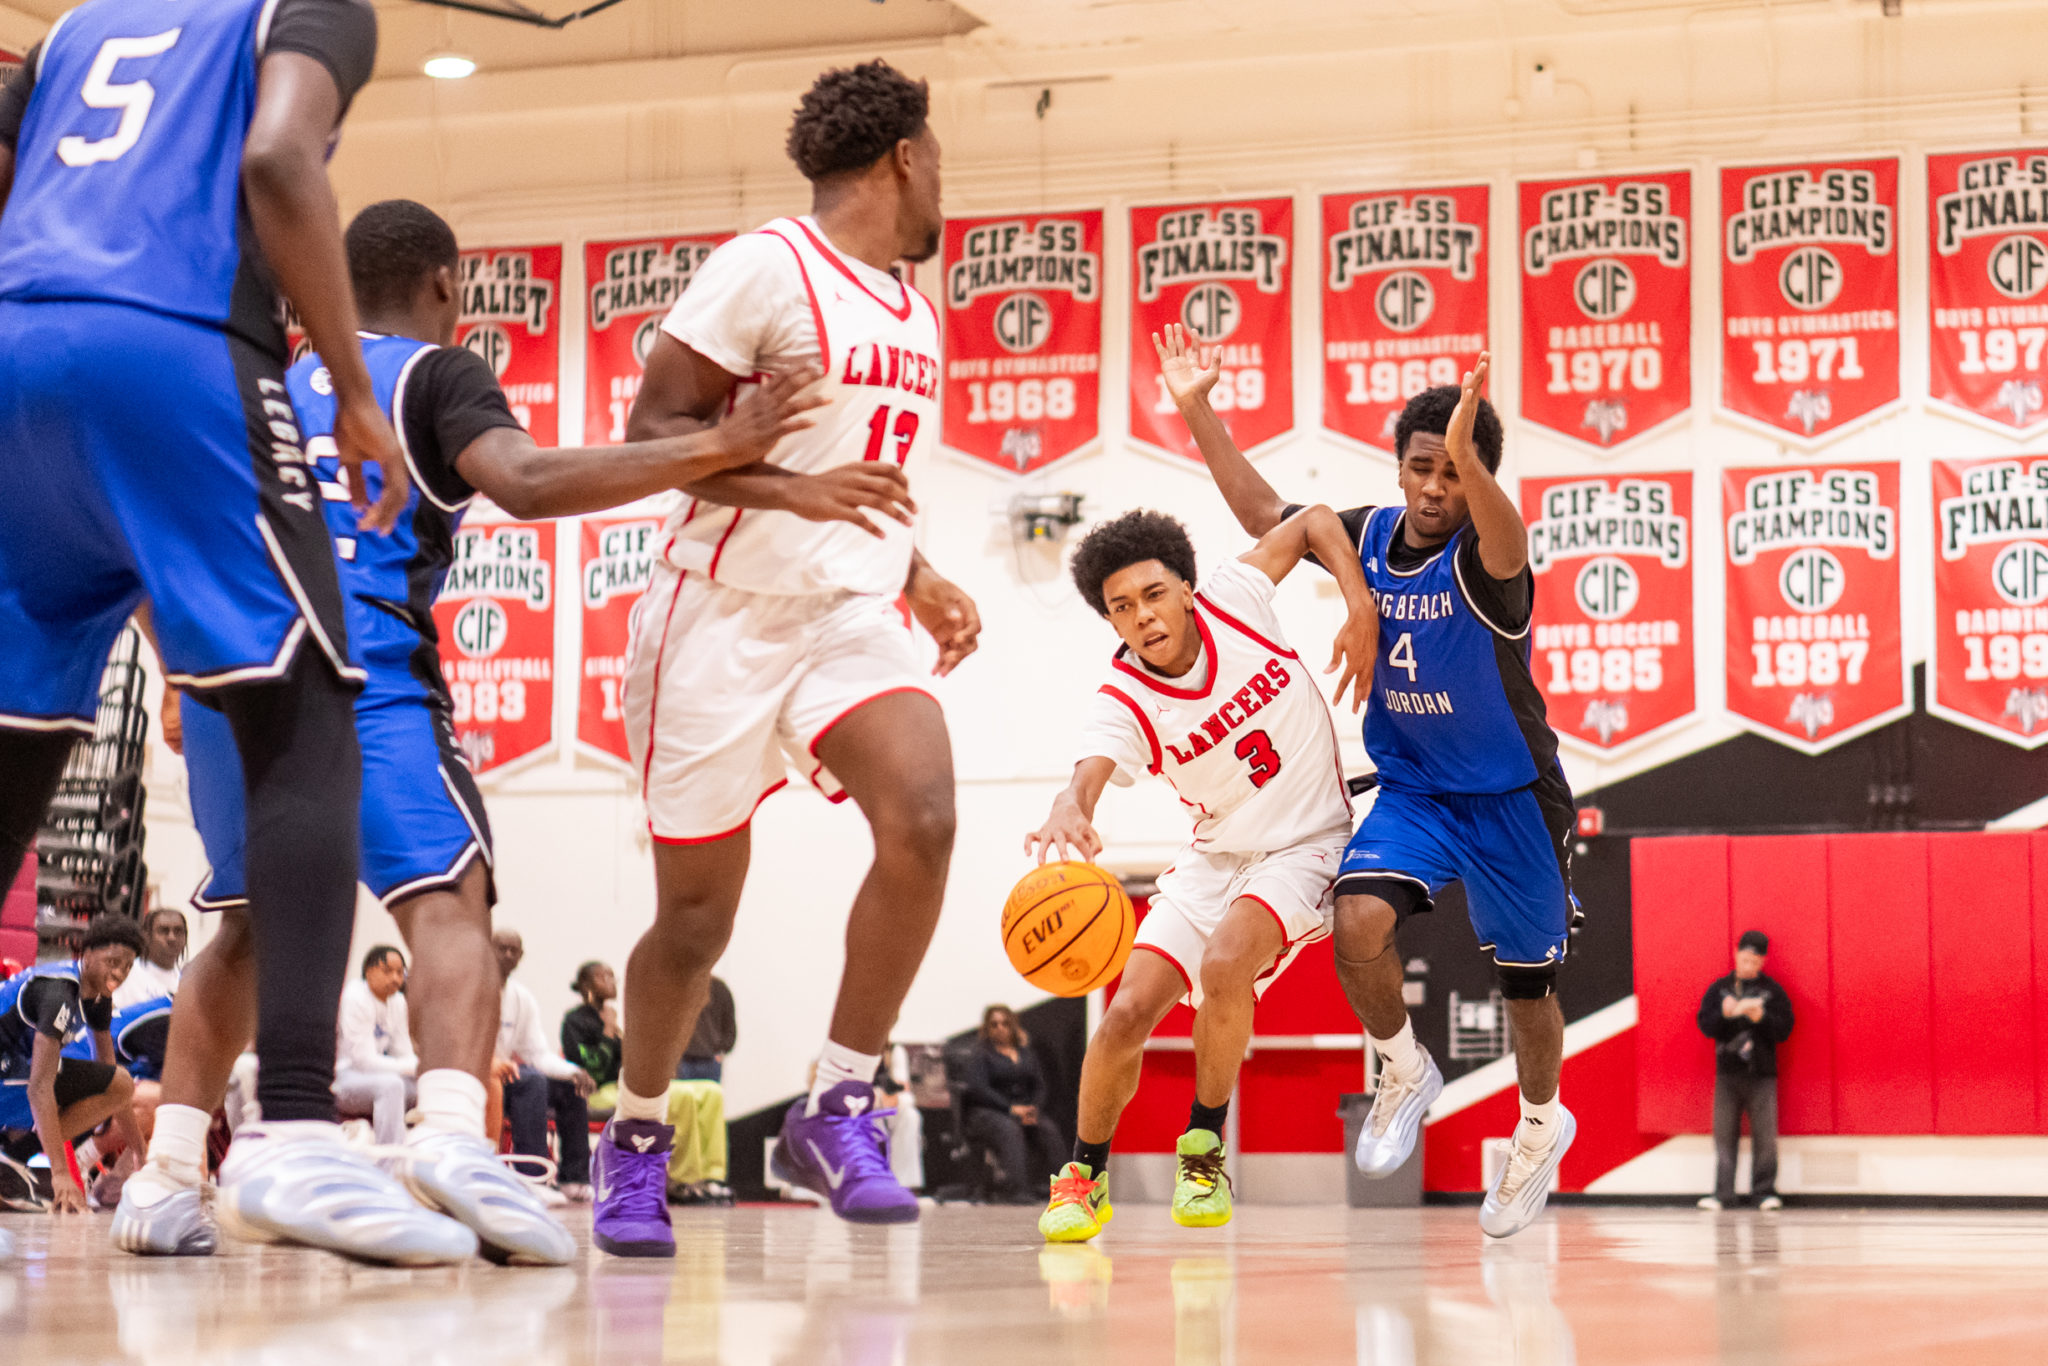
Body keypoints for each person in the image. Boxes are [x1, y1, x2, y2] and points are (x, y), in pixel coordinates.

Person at [123, 198, 819, 1266]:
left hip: (229, 674)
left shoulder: (258, 385)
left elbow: (149, 531)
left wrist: (175, 667)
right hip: (358, 667)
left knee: (247, 928)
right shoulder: (428, 375)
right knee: (450, 905)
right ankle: (450, 1137)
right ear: (446, 285)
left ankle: (167, 1178)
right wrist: (717, 445)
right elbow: (525, 482)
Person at [0, 0, 430, 1264]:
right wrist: (353, 390)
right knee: (308, 709)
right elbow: (279, 159)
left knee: (17, 746)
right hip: (177, 346)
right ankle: (295, 1128)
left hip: (16, 354)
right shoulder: (299, 12)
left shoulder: (74, 32)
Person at [602, 58, 982, 1253]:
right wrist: (788, 491)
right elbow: (651, 431)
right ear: (904, 157)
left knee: (923, 817)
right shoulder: (766, 265)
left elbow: (860, 477)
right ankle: (635, 1136)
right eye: (938, 160)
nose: (943, 184)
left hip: (847, 613)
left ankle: (834, 1103)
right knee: (693, 924)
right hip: (715, 617)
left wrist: (916, 572)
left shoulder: (913, 309)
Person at [1159, 326, 1579, 1239]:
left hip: (1513, 798)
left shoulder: (1490, 562)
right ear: (1398, 469)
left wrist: (1473, 457)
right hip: (1417, 790)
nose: (1434, 489)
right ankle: (1401, 1067)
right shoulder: (1374, 536)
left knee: (1526, 991)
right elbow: (1266, 511)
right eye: (1422, 468)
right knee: (1355, 919)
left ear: (1479, 480)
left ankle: (1541, 1125)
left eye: (1454, 474)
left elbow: (1510, 542)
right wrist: (1198, 410)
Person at [1025, 502, 1375, 1242]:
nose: (1143, 616)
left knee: (1224, 964)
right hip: (1215, 856)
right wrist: (1068, 806)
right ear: (1112, 622)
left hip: (1310, 842)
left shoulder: (1235, 598)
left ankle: (1204, 1147)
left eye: (1153, 594)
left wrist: (1358, 605)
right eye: (1122, 607)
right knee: (1124, 1014)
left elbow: (1315, 520)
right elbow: (1087, 773)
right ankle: (1084, 1175)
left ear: (1185, 589)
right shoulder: (1125, 698)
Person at [0, 916, 148, 1214]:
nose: (119, 973)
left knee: (118, 1084)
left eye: (127, 966)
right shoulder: (59, 992)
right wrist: (60, 1174)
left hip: (13, 1068)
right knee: (50, 1086)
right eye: (112, 962)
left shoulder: (98, 996)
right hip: (7, 1070)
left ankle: (12, 1155)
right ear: (87, 954)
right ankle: (12, 1157)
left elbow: (115, 1082)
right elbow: (39, 1088)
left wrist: (141, 1154)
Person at [493, 929, 595, 1202]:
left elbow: (537, 1054)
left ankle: (574, 1180)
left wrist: (573, 1072)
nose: (508, 955)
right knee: (531, 1081)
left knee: (569, 1087)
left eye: (514, 950)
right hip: (480, 1076)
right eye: (501, 948)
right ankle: (532, 1177)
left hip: (509, 1079)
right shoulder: (472, 987)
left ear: (521, 956)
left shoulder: (521, 997)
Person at [1697, 930, 1793, 1212]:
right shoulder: (1720, 989)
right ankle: (1723, 1194)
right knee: (1724, 1136)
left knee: (1765, 1137)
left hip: (1761, 1074)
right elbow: (1705, 1024)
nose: (1748, 965)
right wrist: (1725, 1015)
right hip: (1727, 1074)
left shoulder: (1772, 992)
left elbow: (1784, 1028)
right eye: (1745, 959)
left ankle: (1764, 1192)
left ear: (1762, 962)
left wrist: (1761, 1017)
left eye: (1754, 961)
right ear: (1736, 955)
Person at [956, 1006, 1064, 1206]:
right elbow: (979, 1089)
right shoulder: (980, 1055)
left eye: (1005, 1024)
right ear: (987, 1028)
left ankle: (1062, 1188)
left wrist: (1034, 1108)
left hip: (1024, 1109)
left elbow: (1039, 1085)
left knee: (1048, 1129)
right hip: (987, 1112)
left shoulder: (1026, 1054)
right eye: (994, 1024)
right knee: (1009, 1129)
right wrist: (1010, 1109)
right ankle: (1016, 1190)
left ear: (1012, 1026)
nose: (1000, 1028)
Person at [332, 945, 416, 1148]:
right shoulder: (355, 996)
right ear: (369, 972)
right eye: (387, 971)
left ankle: (420, 1148)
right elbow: (363, 1061)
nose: (395, 978)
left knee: (425, 1087)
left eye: (400, 972)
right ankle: (390, 1158)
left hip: (377, 1075)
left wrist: (420, 1069)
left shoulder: (398, 1001)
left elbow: (403, 1051)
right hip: (345, 1078)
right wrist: (408, 1067)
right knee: (391, 1086)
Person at [668, 976, 734, 1203]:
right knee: (685, 1115)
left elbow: (729, 1024)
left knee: (711, 1109)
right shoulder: (675, 982)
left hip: (709, 1060)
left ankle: (710, 1178)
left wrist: (721, 1049)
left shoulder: (719, 988)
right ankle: (684, 1179)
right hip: (680, 1059)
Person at [562, 962, 623, 1114]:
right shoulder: (575, 1020)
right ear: (585, 985)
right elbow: (594, 1071)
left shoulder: (608, 1016)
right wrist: (608, 1030)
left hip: (617, 1090)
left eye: (612, 976)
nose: (610, 981)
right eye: (603, 977)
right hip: (593, 1094)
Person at [114, 908, 187, 1010]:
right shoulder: (126, 974)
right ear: (146, 936)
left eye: (178, 931)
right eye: (164, 931)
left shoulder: (187, 981)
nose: (172, 938)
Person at [875, 1046, 923, 1192]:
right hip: (858, 1103)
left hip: (883, 1105)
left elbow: (902, 1090)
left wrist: (889, 1098)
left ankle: (903, 1184)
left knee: (910, 1115)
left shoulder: (896, 1051)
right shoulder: (855, 1047)